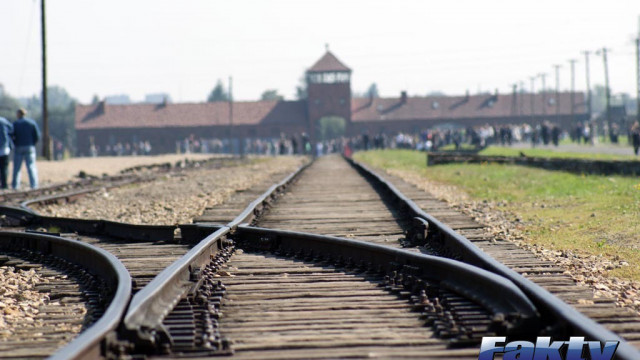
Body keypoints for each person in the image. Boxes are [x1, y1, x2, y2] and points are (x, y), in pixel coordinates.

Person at [12, 108, 41, 189]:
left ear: (18, 114)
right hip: (30, 146)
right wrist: (32, 143)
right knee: (31, 166)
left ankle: (15, 186)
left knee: (17, 168)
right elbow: (37, 136)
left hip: (18, 147)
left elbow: (12, 135)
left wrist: (15, 143)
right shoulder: (31, 123)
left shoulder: (15, 124)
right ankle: (34, 185)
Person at [0, 116, 13, 189]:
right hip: (4, 148)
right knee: (4, 167)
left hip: (4, 147)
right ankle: (4, 185)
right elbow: (11, 130)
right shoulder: (3, 121)